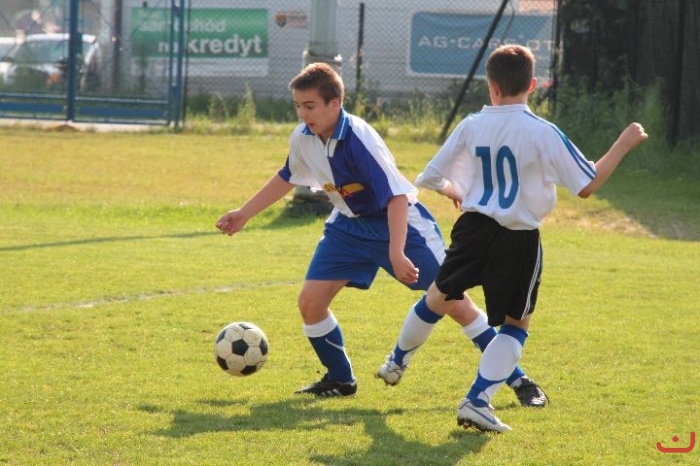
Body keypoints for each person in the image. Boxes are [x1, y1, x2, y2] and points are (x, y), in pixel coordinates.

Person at [216, 62, 546, 402]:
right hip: (347, 226)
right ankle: (340, 380)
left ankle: (519, 381)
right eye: (298, 106)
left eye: (310, 106)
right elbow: (288, 175)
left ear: (334, 103)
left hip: (399, 224)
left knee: (455, 304)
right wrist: (244, 213)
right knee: (310, 303)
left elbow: (397, 197)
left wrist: (396, 251)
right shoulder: (303, 137)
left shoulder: (359, 139)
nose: (302, 114)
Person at [382, 44, 648, 432]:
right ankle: (477, 401)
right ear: (533, 85)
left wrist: (458, 192)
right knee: (516, 324)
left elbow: (432, 177)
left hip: (473, 228)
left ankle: (396, 362)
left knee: (438, 297)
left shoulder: (472, 124)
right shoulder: (541, 131)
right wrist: (623, 143)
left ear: (491, 86)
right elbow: (587, 184)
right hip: (518, 237)